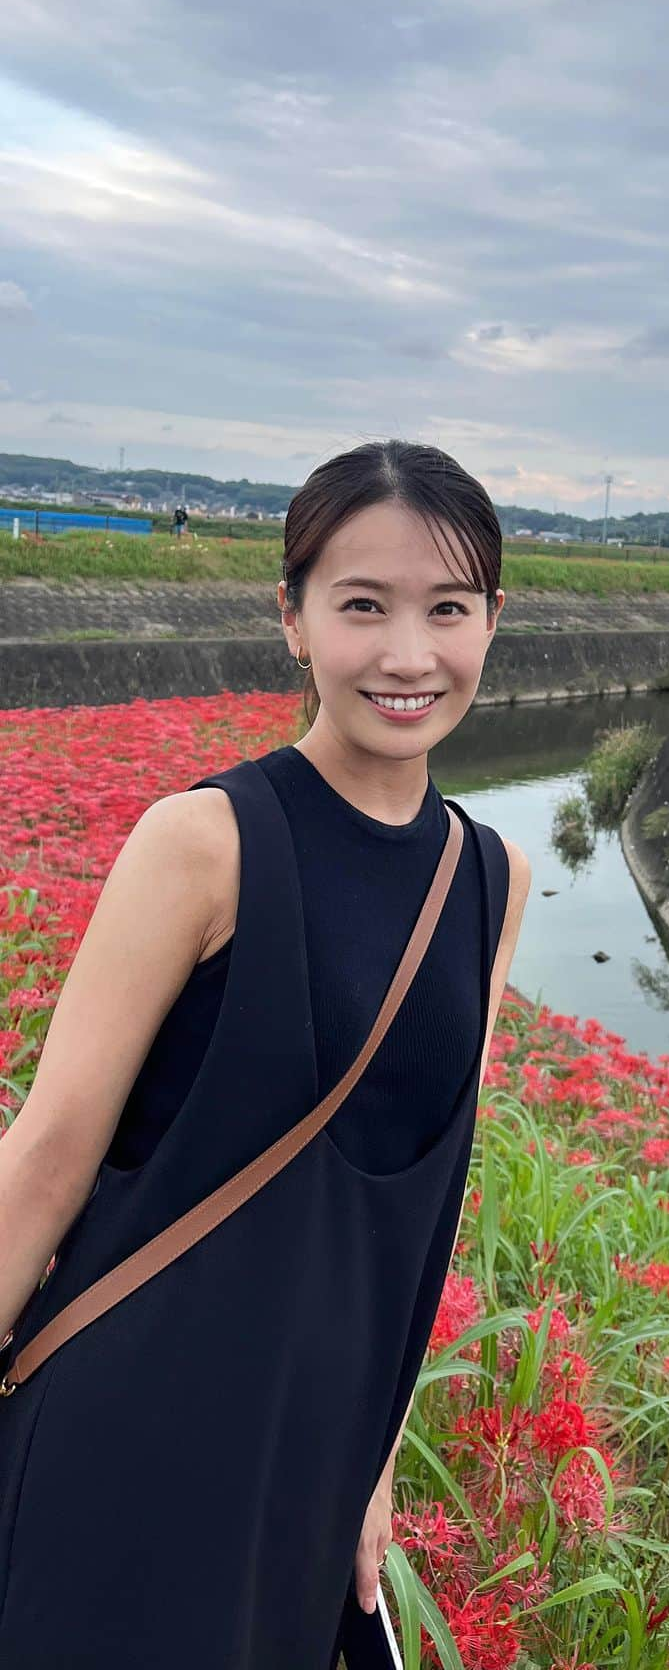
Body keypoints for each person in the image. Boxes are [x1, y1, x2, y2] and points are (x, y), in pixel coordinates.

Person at [0, 439, 532, 1669]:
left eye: (448, 609)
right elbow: (41, 1165)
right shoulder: (203, 842)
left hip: (308, 1475)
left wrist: (377, 1463)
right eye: (362, 606)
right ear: (292, 620)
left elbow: (423, 1214)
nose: (409, 655)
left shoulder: (490, 880)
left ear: (494, 623)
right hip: (125, 1440)